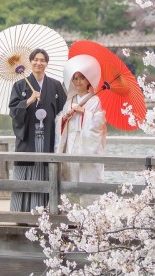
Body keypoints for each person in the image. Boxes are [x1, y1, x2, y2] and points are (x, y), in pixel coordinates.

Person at [8, 48, 67, 213]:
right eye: (35, 60)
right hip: (28, 137)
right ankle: (23, 210)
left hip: (48, 137)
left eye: (42, 60)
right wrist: (29, 100)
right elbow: (13, 111)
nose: (38, 63)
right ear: (30, 62)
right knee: (28, 171)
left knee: (46, 170)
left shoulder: (55, 85)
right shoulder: (20, 85)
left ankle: (48, 209)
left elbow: (63, 111)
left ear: (46, 64)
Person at [55, 60, 107, 206]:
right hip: (71, 142)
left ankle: (89, 208)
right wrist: (64, 118)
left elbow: (98, 124)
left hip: (86, 144)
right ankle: (72, 209)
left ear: (87, 80)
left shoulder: (94, 100)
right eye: (75, 78)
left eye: (81, 78)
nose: (78, 81)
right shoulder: (70, 100)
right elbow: (60, 119)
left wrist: (84, 112)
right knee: (71, 173)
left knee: (86, 173)